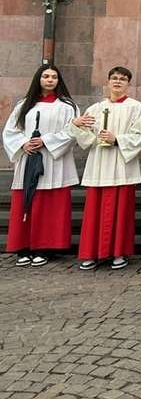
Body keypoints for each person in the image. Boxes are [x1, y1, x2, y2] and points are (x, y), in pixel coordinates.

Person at [69, 66, 141, 271]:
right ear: (108, 82)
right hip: (99, 164)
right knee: (94, 213)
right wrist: (76, 124)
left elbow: (140, 136)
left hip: (122, 165)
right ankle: (90, 253)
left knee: (121, 212)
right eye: (114, 78)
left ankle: (118, 253)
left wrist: (117, 139)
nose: (118, 82)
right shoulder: (95, 108)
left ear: (128, 83)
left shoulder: (136, 107)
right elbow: (84, 137)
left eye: (122, 79)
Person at [3, 64, 79, 267]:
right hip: (29, 158)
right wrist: (23, 143)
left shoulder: (67, 106)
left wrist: (47, 141)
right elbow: (11, 130)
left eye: (54, 76)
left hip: (54, 161)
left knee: (48, 205)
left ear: (58, 80)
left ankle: (43, 247)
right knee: (26, 201)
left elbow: (72, 132)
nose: (50, 80)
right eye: (46, 76)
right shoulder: (24, 105)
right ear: (38, 79)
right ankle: (23, 247)